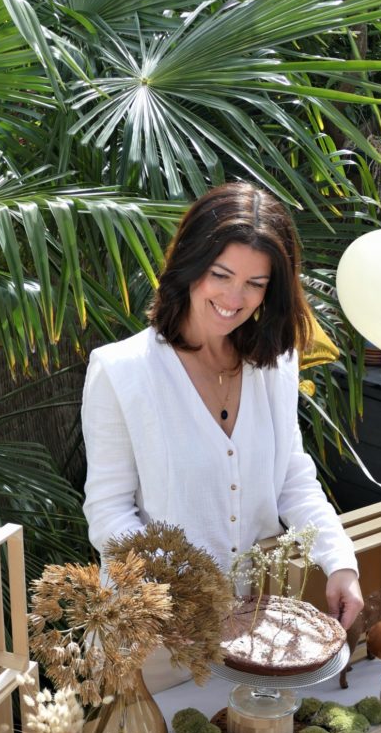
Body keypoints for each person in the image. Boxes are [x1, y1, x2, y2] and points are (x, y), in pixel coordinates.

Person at [81, 182, 363, 633]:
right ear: (190, 265)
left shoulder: (275, 363)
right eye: (221, 274)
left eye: (255, 284)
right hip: (156, 631)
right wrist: (190, 595)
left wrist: (339, 561)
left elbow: (291, 474)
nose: (235, 299)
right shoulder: (122, 371)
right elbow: (109, 513)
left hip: (255, 625)